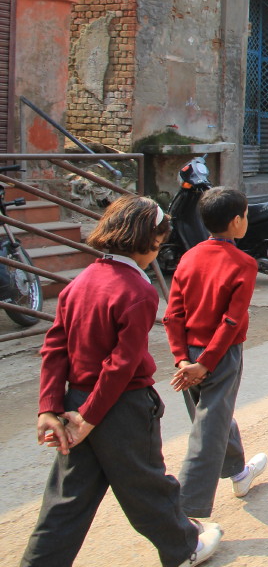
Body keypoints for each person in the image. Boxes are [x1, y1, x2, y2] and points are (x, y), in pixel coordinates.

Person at [22, 195, 223, 567]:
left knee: (67, 498)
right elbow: (121, 365)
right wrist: (91, 416)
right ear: (148, 241)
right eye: (158, 243)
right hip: (121, 408)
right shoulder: (138, 291)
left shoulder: (79, 283)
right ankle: (184, 548)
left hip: (75, 403)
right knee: (147, 485)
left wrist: (49, 407)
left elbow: (55, 347)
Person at [164, 187, 267, 521]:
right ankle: (186, 511)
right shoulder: (244, 263)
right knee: (208, 427)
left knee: (214, 414)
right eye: (246, 215)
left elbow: (173, 314)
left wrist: (183, 359)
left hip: (188, 354)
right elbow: (231, 321)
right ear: (237, 221)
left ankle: (238, 472)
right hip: (220, 354)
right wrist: (206, 363)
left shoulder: (189, 257)